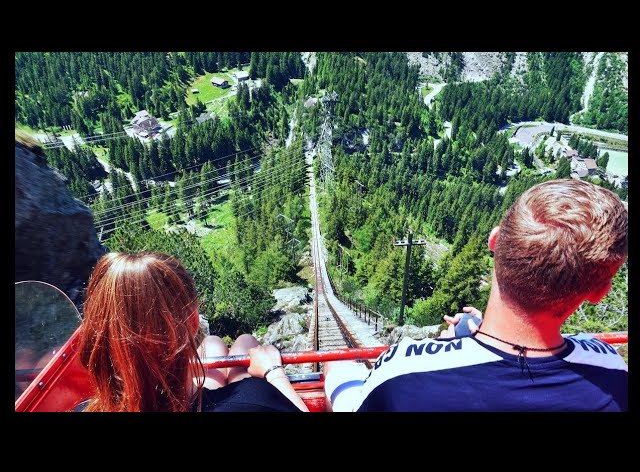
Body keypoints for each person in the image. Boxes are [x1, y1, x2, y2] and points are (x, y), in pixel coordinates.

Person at [324, 179, 628, 411]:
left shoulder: (401, 369)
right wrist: (471, 333)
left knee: (340, 370)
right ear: (599, 291)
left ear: (494, 241)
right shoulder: (614, 374)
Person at [78, 251, 308, 412]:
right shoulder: (255, 399)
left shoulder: (82, 408)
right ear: (193, 322)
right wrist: (274, 373)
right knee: (241, 344)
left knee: (214, 345)